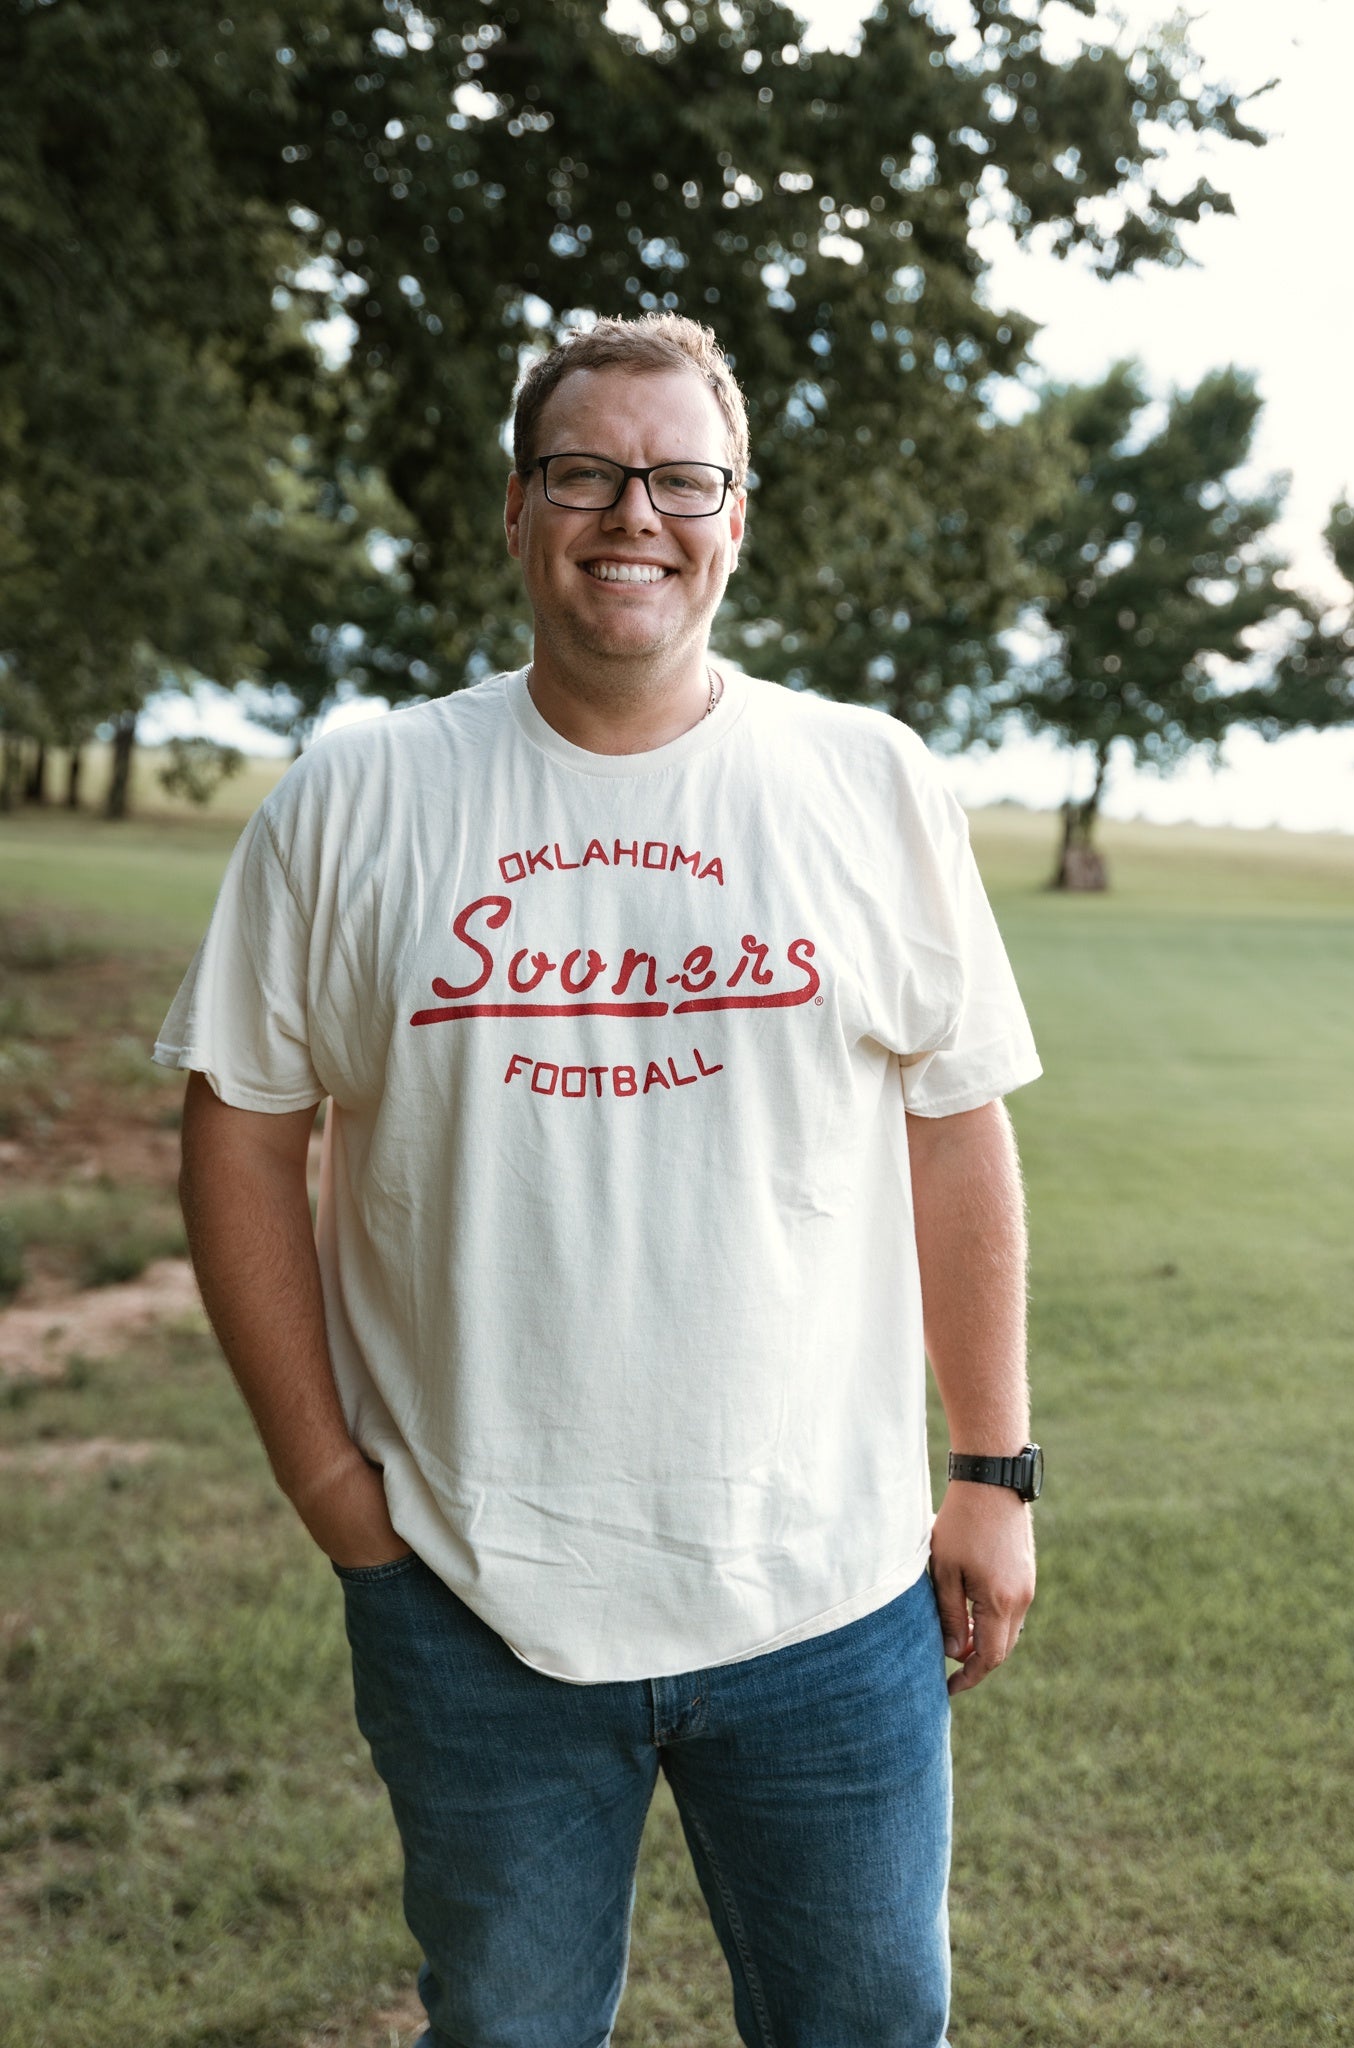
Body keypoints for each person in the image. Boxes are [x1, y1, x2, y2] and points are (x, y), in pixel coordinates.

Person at [156, 313, 1043, 2048]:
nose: (632, 511)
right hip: (474, 1594)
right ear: (515, 509)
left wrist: (993, 1466)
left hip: (829, 1593)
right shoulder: (361, 792)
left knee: (865, 2026)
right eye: (584, 470)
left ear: (736, 515)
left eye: (679, 476)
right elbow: (242, 1124)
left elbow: (955, 1122)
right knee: (505, 2033)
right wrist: (332, 1484)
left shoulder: (863, 779)